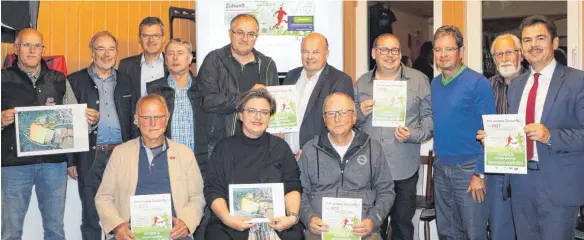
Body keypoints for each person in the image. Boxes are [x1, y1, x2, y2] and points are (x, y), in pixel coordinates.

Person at [478, 15, 584, 240]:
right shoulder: (517, 84)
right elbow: (516, 134)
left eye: (540, 38)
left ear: (555, 43)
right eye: (527, 40)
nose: (533, 45)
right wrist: (494, 140)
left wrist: (550, 136)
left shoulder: (577, 81)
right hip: (520, 182)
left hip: (558, 186)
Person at [1, 28, 98, 240]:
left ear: (43, 50)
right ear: (16, 48)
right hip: (14, 166)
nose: (32, 50)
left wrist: (87, 121)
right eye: (27, 45)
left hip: (53, 165)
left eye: (37, 45)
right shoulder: (3, 79)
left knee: (55, 230)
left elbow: (73, 117)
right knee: (10, 231)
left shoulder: (59, 79)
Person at [355, 33, 433, 240]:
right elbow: (349, 123)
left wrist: (413, 134)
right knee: (371, 227)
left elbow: (429, 119)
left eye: (395, 50)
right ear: (374, 53)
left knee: (402, 227)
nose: (390, 55)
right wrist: (359, 113)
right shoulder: (361, 83)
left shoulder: (419, 80)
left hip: (403, 168)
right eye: (384, 50)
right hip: (369, 169)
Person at [95, 94, 205, 240]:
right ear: (136, 120)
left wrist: (186, 222)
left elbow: (197, 197)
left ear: (167, 118)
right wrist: (118, 226)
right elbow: (103, 197)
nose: (153, 123)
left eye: (159, 116)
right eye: (146, 118)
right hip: (130, 235)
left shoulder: (184, 153)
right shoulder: (121, 153)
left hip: (173, 235)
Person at [204, 89, 304, 240]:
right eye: (252, 111)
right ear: (240, 114)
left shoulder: (280, 147)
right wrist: (227, 218)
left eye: (264, 112)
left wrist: (291, 217)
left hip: (275, 222)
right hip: (232, 223)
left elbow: (292, 185)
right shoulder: (223, 148)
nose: (258, 117)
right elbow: (213, 189)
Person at [67, 30, 137, 240]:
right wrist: (71, 161)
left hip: (121, 154)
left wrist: (136, 153)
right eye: (100, 49)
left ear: (117, 52)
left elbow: (135, 121)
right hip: (91, 156)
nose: (107, 55)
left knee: (124, 214)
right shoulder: (74, 81)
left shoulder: (127, 81)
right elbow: (67, 125)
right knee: (91, 215)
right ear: (91, 52)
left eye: (111, 49)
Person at [299, 92, 395, 240]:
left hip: (362, 229)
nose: (337, 119)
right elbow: (300, 191)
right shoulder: (310, 150)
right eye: (331, 113)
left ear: (354, 116)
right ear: (324, 119)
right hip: (321, 229)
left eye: (343, 112)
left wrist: (373, 220)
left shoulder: (372, 148)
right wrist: (309, 218)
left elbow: (386, 191)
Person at [430, 25, 495, 240]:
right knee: (447, 233)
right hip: (440, 169)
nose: (443, 54)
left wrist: (480, 173)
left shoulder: (478, 83)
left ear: (461, 51)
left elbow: (490, 131)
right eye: (438, 49)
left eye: (449, 49)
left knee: (473, 233)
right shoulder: (435, 84)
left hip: (469, 171)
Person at [196, 13, 279, 153]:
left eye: (251, 34)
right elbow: (208, 101)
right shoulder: (214, 60)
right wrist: (246, 96)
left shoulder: (267, 64)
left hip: (259, 147)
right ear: (230, 33)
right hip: (220, 145)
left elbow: (274, 106)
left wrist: (278, 128)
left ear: (256, 37)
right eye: (240, 32)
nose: (245, 38)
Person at [282, 32, 354, 157]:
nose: (310, 57)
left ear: (326, 54)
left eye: (315, 52)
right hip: (287, 158)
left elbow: (339, 125)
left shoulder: (340, 81)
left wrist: (311, 152)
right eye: (305, 52)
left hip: (319, 158)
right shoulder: (291, 76)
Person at [484, 33, 526, 240]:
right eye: (499, 54)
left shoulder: (534, 83)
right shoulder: (486, 87)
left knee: (530, 230)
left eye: (509, 52)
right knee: (500, 232)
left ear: (521, 54)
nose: (505, 58)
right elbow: (477, 123)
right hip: (497, 172)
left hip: (531, 173)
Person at [147, 38, 208, 175]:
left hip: (199, 163)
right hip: (166, 163)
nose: (175, 57)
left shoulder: (204, 88)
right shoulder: (154, 90)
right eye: (170, 53)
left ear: (189, 58)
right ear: (166, 60)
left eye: (180, 53)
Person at [118, 16, 168, 98]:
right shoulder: (126, 66)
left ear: (163, 38)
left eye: (156, 35)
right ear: (139, 39)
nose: (151, 40)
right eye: (145, 36)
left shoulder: (173, 63)